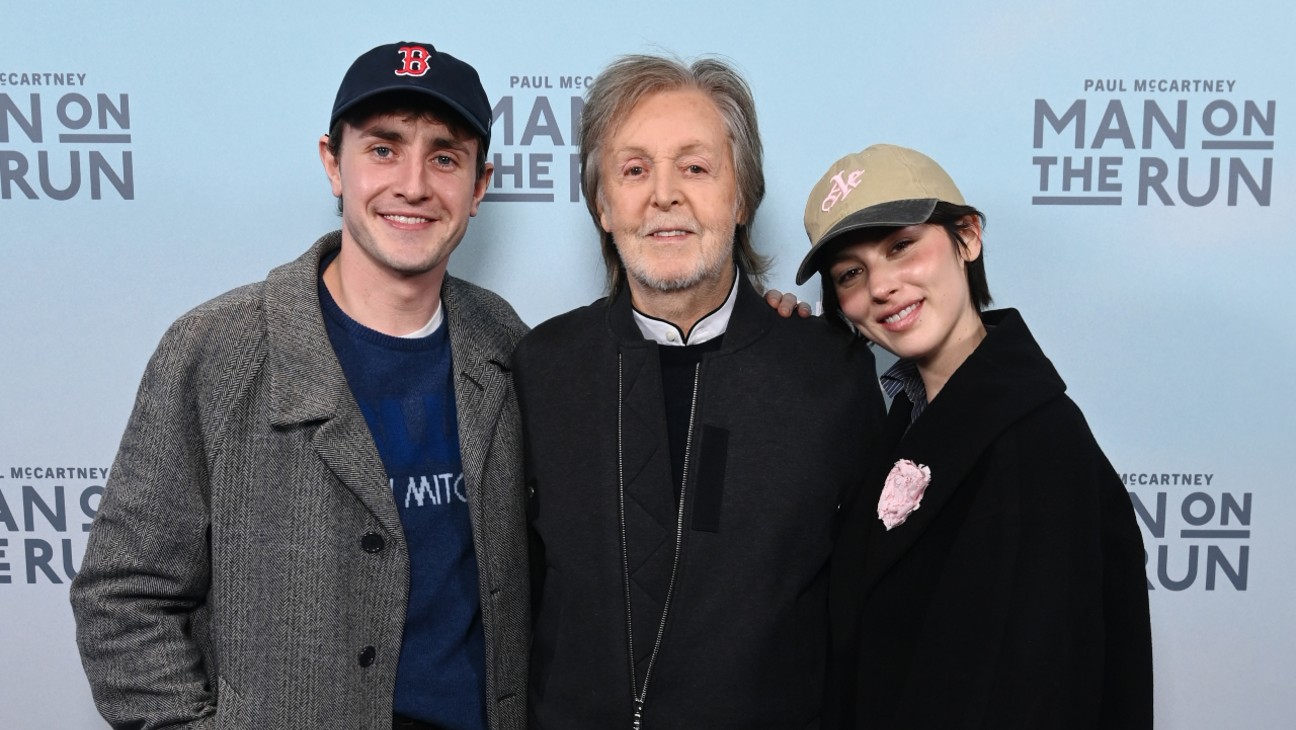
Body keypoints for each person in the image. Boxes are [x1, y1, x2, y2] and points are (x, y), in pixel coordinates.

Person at [69, 42, 529, 730]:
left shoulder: (508, 344)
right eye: (382, 149)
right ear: (331, 163)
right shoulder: (217, 349)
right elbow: (123, 597)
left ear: (480, 184)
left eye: (443, 156)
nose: (412, 183)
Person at [512, 54, 886, 729]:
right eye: (633, 170)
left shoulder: (829, 373)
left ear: (741, 196)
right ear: (602, 204)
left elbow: (867, 618)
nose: (664, 195)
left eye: (695, 166)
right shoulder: (541, 370)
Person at [794, 144, 1153, 728]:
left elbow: (1029, 690)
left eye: (900, 247)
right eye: (851, 274)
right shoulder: (906, 421)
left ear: (967, 238)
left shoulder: (1034, 442)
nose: (881, 286)